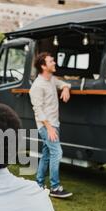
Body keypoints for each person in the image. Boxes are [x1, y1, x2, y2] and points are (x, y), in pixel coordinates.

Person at [29, 52, 73, 198]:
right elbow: (38, 110)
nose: (54, 63)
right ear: (43, 66)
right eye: (51, 61)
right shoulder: (37, 86)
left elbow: (63, 83)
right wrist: (49, 129)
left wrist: (66, 88)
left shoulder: (51, 79)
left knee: (47, 155)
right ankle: (55, 187)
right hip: (46, 126)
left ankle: (39, 184)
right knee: (57, 152)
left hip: (54, 124)